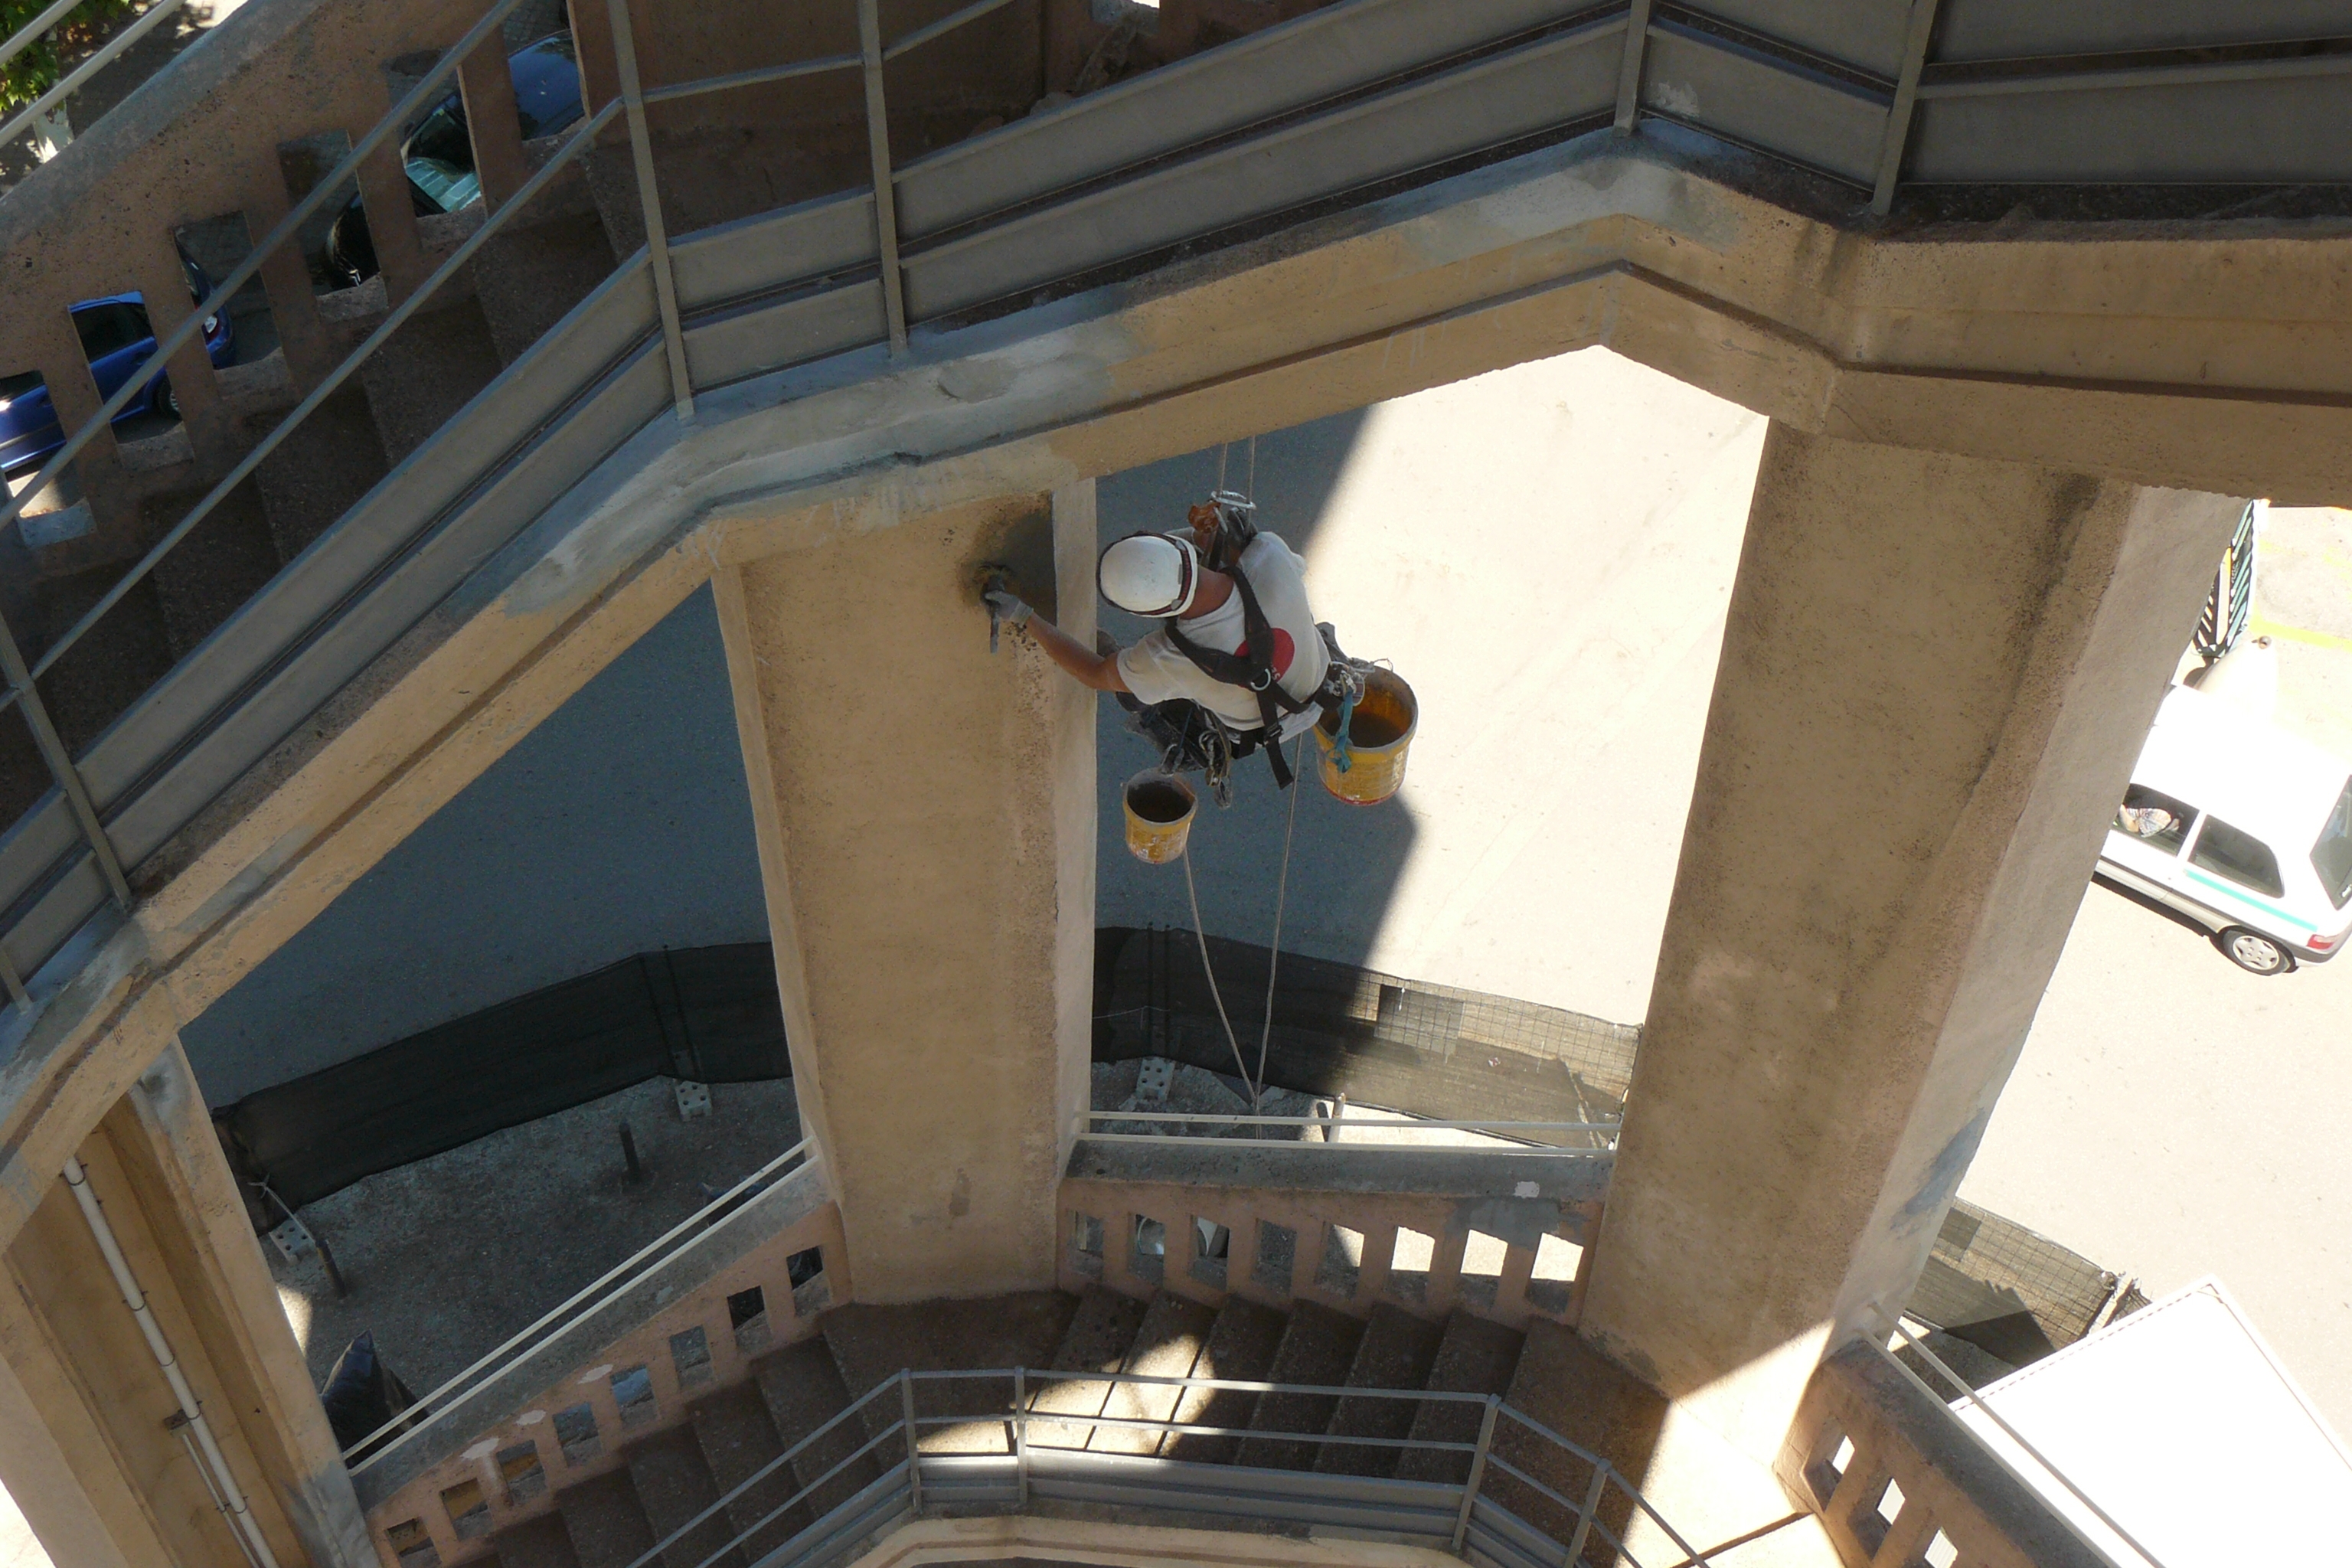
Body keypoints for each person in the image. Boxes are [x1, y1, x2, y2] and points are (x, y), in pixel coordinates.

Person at [985, 494, 1335, 790]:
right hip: (1318, 675)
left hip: (1258, 727)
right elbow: (1256, 571)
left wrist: (1025, 615)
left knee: (1127, 686)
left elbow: (1095, 673)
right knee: (1145, 674)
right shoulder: (1268, 553)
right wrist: (1213, 539)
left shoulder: (1164, 659)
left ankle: (1141, 687)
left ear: (1149, 612)